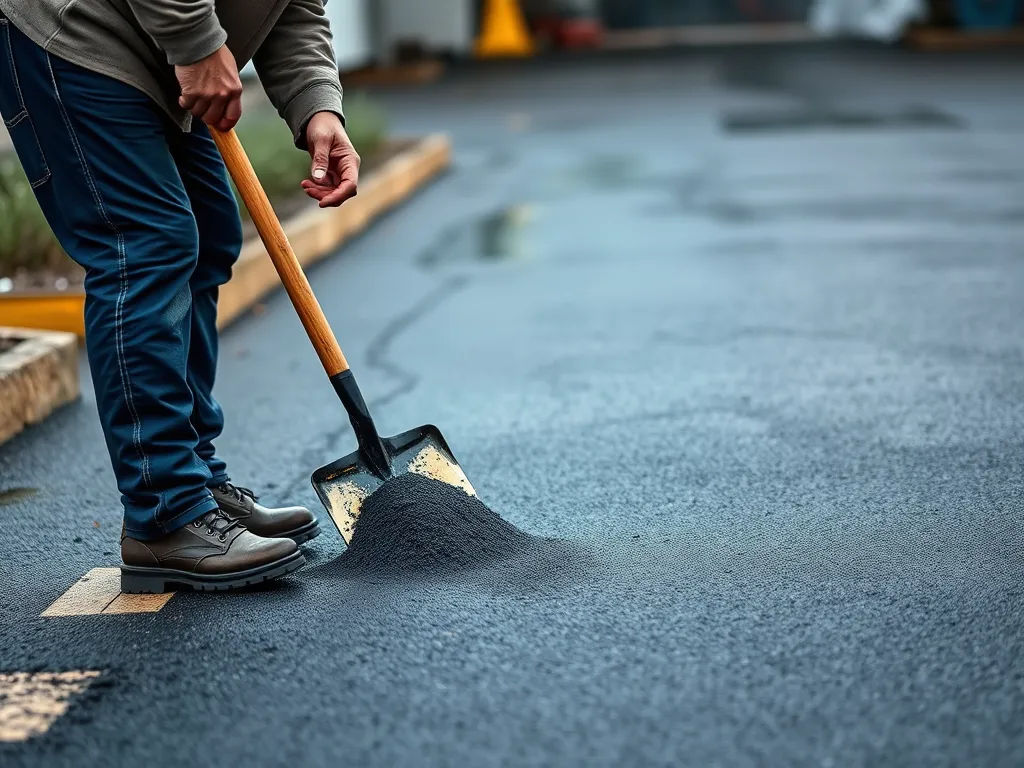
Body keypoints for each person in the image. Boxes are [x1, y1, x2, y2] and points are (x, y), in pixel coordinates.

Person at [0, 0, 361, 592]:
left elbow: (293, 5)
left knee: (210, 231)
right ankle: (165, 512)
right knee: (146, 244)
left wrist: (318, 107)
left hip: (153, 43)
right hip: (78, 30)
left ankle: (194, 481)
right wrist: (195, 43)